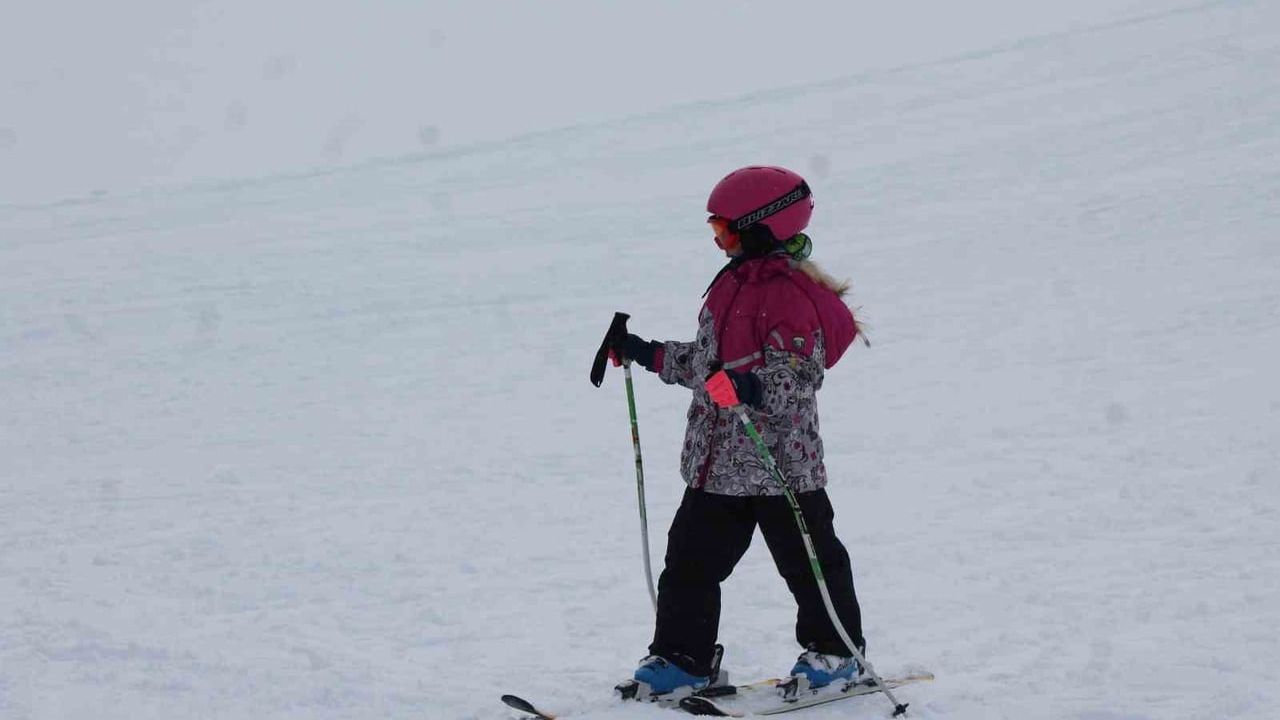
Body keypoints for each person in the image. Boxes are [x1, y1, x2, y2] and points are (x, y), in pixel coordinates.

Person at [611, 166, 868, 698]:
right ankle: (683, 659)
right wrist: (643, 351)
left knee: (810, 566)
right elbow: (705, 365)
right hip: (716, 466)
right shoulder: (728, 287)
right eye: (714, 230)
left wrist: (748, 388)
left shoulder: (791, 296)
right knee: (687, 566)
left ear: (761, 227)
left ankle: (837, 656)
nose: (718, 242)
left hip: (781, 468)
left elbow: (797, 380)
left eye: (725, 230)